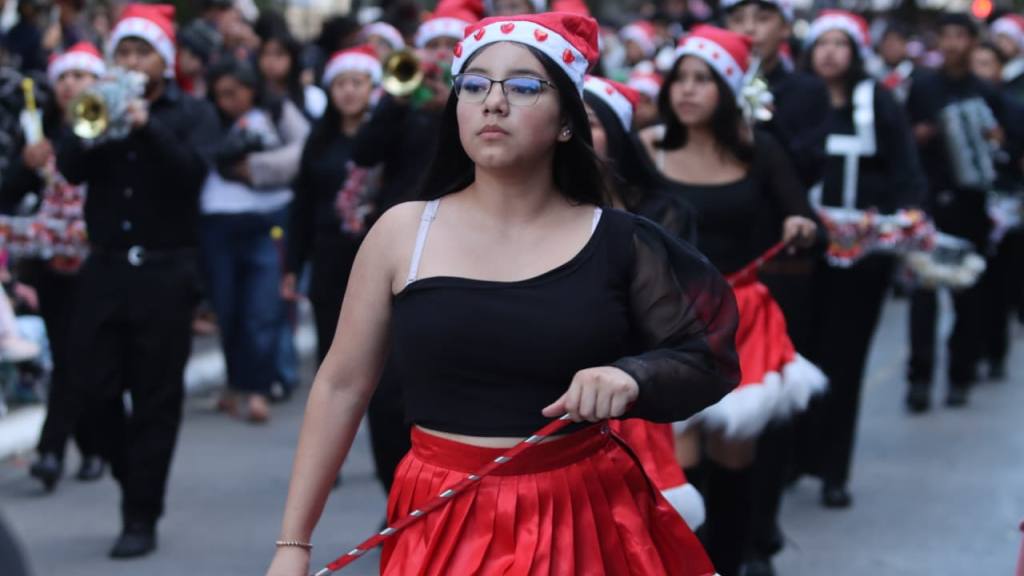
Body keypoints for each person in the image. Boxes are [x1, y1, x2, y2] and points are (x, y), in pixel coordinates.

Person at [265, 12, 740, 576]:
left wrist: (631, 375)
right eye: (474, 84)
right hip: (441, 516)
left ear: (568, 121)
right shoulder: (402, 232)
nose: (493, 102)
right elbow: (341, 385)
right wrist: (292, 545)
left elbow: (706, 353)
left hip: (582, 517)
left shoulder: (618, 240)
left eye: (522, 86)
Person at [633, 25, 820, 576]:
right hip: (667, 320)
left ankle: (740, 556)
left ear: (730, 88)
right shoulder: (647, 148)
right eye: (680, 79)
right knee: (680, 463)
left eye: (703, 80)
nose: (688, 90)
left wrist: (799, 224)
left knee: (735, 455)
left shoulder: (757, 149)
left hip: (740, 316)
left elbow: (806, 217)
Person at [54, 3, 219, 558]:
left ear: (163, 62)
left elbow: (194, 174)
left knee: (155, 398)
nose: (130, 61)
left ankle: (140, 513)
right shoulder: (96, 106)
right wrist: (96, 119)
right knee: (88, 388)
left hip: (165, 271)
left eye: (140, 52)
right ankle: (131, 474)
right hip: (103, 267)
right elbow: (71, 165)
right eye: (122, 52)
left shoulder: (189, 111)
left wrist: (146, 128)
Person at [797, 10, 925, 515]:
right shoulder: (796, 102)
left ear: (855, 51)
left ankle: (833, 471)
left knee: (845, 362)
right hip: (802, 255)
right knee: (798, 358)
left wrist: (900, 225)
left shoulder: (881, 100)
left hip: (862, 257)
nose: (829, 52)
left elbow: (907, 172)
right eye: (821, 43)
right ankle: (793, 460)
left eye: (840, 43)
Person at [5, 42, 107, 492]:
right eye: (65, 77)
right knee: (69, 354)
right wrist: (26, 167)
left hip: (96, 262)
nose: (71, 85)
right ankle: (91, 446)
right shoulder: (37, 134)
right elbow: (8, 192)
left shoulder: (110, 129)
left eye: (81, 76)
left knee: (80, 353)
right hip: (49, 263)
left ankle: (51, 449)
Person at [903, 13, 1011, 411]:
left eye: (959, 36)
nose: (952, 44)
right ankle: (919, 379)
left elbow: (1006, 143)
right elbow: (902, 140)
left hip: (971, 205)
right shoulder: (924, 86)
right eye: (945, 36)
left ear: (971, 41)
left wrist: (993, 140)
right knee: (923, 295)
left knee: (968, 294)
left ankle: (960, 376)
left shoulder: (987, 92)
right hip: (929, 204)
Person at [201, 56, 310, 423]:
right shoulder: (207, 119)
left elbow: (304, 150)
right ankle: (236, 383)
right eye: (220, 95)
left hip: (269, 219)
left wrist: (257, 170)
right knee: (228, 309)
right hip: (218, 223)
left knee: (263, 308)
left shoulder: (278, 110)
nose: (227, 101)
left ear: (251, 88)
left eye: (234, 93)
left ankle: (260, 389)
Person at [283, 46, 379, 364]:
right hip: (328, 256)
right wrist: (293, 266)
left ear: (372, 86)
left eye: (356, 82)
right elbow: (302, 203)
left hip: (376, 254)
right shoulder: (319, 138)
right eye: (340, 83)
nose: (348, 91)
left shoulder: (388, 135)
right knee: (332, 350)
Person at [257, 25, 327, 120]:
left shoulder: (312, 97)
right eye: (265, 53)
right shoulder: (251, 96)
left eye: (279, 54)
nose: (270, 60)